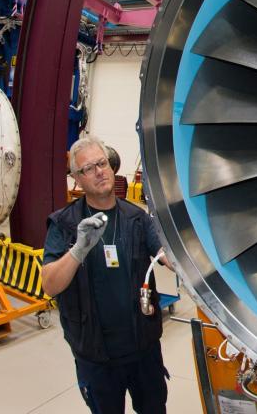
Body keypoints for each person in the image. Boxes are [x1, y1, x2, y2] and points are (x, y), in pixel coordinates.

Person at [42, 136, 169, 414]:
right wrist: (78, 250)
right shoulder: (64, 224)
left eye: (102, 163)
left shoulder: (137, 219)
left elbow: (168, 256)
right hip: (96, 357)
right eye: (88, 168)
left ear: (112, 167)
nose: (99, 171)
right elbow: (50, 285)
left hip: (143, 350)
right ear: (77, 178)